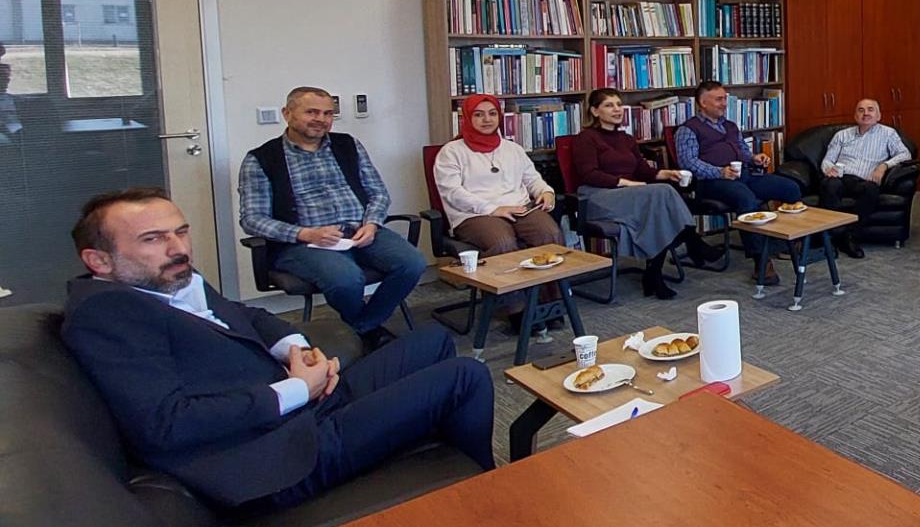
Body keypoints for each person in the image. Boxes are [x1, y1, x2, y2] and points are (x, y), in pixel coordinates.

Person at [62, 189, 494, 510]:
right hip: (277, 457)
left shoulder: (166, 280)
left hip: (302, 411)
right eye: (153, 239)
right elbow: (166, 424)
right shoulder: (107, 315)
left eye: (181, 232)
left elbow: (245, 315)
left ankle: (439, 473)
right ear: (99, 261)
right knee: (466, 375)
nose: (178, 248)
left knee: (434, 340)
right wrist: (296, 390)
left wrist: (297, 350)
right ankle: (487, 491)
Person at [238, 86, 427, 349]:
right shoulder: (261, 159)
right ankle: (369, 331)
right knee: (346, 278)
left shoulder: (348, 145)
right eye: (312, 112)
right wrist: (305, 233)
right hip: (304, 242)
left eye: (328, 113)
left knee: (413, 263)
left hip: (360, 230)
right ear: (287, 114)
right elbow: (252, 218)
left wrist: (372, 223)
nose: (321, 119)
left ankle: (362, 327)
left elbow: (378, 192)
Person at [572, 88, 721, 299]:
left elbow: (643, 171)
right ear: (595, 111)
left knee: (660, 205)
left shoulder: (626, 139)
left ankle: (654, 274)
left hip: (632, 195)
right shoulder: (586, 138)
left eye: (619, 104)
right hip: (598, 196)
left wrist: (667, 173)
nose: (616, 109)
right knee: (661, 194)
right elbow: (589, 174)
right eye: (609, 105)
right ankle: (691, 240)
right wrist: (626, 183)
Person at [432, 94, 560, 313]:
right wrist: (493, 209)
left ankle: (549, 304)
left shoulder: (512, 149)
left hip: (519, 208)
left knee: (549, 234)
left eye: (492, 114)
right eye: (478, 115)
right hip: (474, 214)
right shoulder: (451, 152)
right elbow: (452, 192)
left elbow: (532, 178)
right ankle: (514, 309)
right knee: (502, 242)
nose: (487, 119)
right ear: (467, 118)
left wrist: (546, 192)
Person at [674, 80, 802, 271]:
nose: (724, 104)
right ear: (703, 103)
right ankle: (761, 260)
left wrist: (754, 158)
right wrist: (720, 171)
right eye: (718, 100)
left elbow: (743, 151)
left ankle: (789, 243)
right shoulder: (688, 130)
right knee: (745, 198)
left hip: (744, 176)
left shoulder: (731, 126)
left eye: (724, 99)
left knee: (790, 188)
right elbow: (688, 163)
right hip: (711, 183)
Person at [819, 97, 912, 259]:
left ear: (879, 115)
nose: (866, 114)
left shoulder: (888, 134)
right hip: (841, 177)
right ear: (855, 116)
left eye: (870, 110)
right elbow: (828, 160)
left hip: (865, 181)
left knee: (871, 190)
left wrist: (884, 166)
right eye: (861, 110)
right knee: (830, 185)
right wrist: (829, 170)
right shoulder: (842, 135)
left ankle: (850, 236)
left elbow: (905, 154)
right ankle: (832, 237)